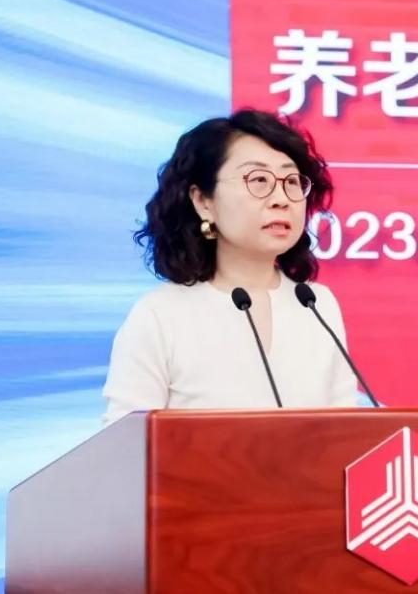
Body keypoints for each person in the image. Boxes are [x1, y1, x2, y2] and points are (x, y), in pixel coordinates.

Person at [101, 109, 358, 425]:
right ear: (203, 201)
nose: (281, 199)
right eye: (259, 180)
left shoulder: (317, 305)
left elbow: (346, 432)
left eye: (291, 182)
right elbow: (125, 442)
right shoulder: (160, 314)